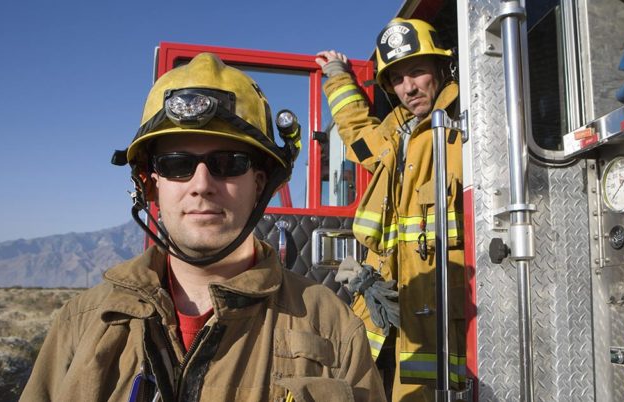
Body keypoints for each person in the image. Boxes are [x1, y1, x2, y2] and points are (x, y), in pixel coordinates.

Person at [21, 52, 386, 402]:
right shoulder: (82, 323)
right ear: (150, 184)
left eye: (228, 162)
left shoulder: (333, 326)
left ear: (259, 184)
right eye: (176, 164)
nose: (201, 184)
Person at [316, 18, 466, 401]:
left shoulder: (465, 128)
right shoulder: (395, 132)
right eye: (397, 79)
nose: (409, 87)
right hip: (383, 299)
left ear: (441, 68)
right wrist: (337, 77)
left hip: (439, 310)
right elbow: (356, 133)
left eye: (417, 72)